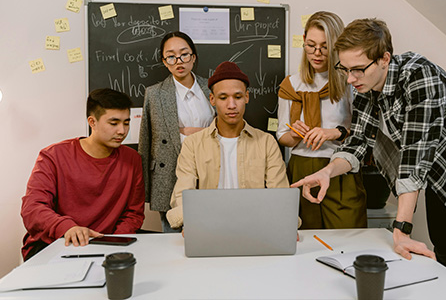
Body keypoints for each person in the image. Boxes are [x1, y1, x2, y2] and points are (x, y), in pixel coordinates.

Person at [293, 18, 446, 277]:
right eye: (345, 69)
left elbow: (415, 157)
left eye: (358, 69)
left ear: (384, 58)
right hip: (430, 165)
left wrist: (402, 229)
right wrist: (327, 171)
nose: (350, 79)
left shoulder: (420, 76)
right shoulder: (364, 86)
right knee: (432, 253)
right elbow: (357, 143)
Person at [21, 88, 145, 261]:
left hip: (107, 247)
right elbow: (32, 208)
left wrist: (114, 243)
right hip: (57, 245)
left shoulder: (133, 160)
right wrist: (67, 228)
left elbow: (133, 214)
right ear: (92, 122)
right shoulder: (53, 156)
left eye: (126, 123)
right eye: (114, 123)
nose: (122, 131)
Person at [166, 61, 289, 229]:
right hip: (207, 225)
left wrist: (285, 225)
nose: (231, 105)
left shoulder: (266, 142)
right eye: (223, 98)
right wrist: (190, 223)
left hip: (256, 226)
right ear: (212, 99)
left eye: (237, 97)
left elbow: (280, 194)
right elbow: (182, 193)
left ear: (246, 97)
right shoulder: (193, 144)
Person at [277, 11, 367, 229]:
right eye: (311, 45)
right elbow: (282, 137)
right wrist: (294, 135)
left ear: (336, 46)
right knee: (306, 244)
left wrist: (334, 132)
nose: (316, 53)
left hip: (339, 169)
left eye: (325, 47)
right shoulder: (291, 85)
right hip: (300, 169)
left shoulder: (352, 82)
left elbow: (364, 134)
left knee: (348, 242)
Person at [139, 31, 214, 233]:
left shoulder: (212, 88)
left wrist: (193, 132)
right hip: (169, 173)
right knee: (173, 240)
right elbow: (145, 141)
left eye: (184, 54)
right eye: (171, 56)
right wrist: (145, 189)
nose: (178, 61)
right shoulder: (154, 94)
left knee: (214, 233)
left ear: (193, 57)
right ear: (164, 61)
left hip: (211, 169)